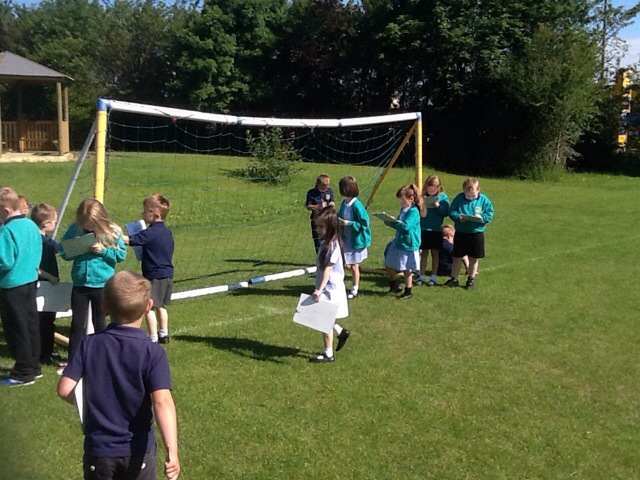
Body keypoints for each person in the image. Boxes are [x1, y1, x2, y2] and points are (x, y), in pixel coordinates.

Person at [57, 271, 180, 480]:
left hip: (99, 451)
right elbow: (162, 403)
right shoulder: (153, 352)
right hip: (138, 450)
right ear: (148, 306)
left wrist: (89, 404)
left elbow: (64, 389)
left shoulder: (89, 344)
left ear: (104, 308)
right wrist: (172, 451)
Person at [60, 198, 126, 364]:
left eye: (92, 225)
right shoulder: (75, 229)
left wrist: (103, 251)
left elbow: (121, 255)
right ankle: (73, 360)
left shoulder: (113, 231)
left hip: (101, 284)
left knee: (100, 322)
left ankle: (101, 357)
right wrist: (78, 249)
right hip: (80, 284)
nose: (88, 228)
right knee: (77, 323)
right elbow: (63, 252)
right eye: (86, 225)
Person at [0, 186, 42, 386]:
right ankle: (34, 366)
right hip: (30, 280)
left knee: (16, 328)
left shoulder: (6, 231)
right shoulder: (31, 225)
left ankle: (23, 372)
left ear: (5, 211)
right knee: (30, 324)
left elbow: (5, 261)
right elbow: (38, 249)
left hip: (12, 285)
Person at [124, 194, 175, 344]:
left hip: (154, 275)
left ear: (156, 214)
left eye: (145, 211)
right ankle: (164, 333)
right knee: (161, 306)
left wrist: (114, 235)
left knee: (149, 307)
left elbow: (131, 240)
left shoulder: (151, 232)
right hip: (167, 274)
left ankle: (152, 337)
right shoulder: (167, 231)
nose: (142, 213)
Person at [311, 207, 351, 363]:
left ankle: (328, 354)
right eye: (317, 226)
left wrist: (319, 290)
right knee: (324, 317)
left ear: (331, 227)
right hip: (325, 287)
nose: (318, 230)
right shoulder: (325, 243)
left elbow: (327, 270)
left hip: (330, 289)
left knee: (324, 320)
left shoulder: (333, 246)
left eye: (321, 227)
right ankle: (340, 332)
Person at [445, 177, 494, 290]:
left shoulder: (484, 200)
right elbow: (452, 211)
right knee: (457, 256)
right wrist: (458, 217)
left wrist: (482, 218)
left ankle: (471, 279)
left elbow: (489, 213)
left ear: (478, 190)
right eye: (467, 196)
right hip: (461, 232)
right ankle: (454, 279)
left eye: (473, 195)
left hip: (476, 233)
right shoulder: (459, 198)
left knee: (474, 258)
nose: (470, 198)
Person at [31, 203, 62, 365]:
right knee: (43, 321)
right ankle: (42, 353)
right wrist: (50, 277)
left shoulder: (48, 241)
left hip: (48, 286)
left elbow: (59, 249)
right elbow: (34, 266)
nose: (56, 223)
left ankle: (47, 350)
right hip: (41, 286)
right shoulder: (38, 242)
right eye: (55, 221)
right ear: (46, 223)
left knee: (48, 320)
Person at [383, 184, 425, 300]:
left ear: (411, 199)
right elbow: (400, 222)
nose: (400, 203)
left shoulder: (414, 212)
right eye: (400, 201)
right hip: (399, 241)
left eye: (402, 200)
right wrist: (392, 220)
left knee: (407, 269)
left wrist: (392, 223)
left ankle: (408, 291)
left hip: (409, 243)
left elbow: (405, 226)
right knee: (388, 263)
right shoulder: (403, 209)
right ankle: (394, 285)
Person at [337, 176, 371, 300]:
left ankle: (354, 288)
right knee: (343, 263)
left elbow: (364, 223)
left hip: (355, 239)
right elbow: (340, 215)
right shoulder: (344, 203)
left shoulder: (357, 205)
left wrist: (349, 223)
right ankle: (339, 286)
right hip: (345, 238)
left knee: (354, 265)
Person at [417, 175, 449, 286]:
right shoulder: (422, 196)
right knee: (424, 252)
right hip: (423, 228)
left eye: (434, 188)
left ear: (438, 187)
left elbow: (445, 212)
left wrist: (437, 205)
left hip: (435, 229)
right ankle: (421, 275)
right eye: (429, 188)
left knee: (435, 252)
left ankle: (433, 277)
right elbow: (417, 210)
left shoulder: (443, 197)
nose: (431, 191)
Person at [305, 174, 335, 253]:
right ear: (318, 184)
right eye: (324, 186)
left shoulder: (330, 190)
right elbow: (308, 206)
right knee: (318, 238)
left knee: (329, 236)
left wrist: (331, 203)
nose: (327, 187)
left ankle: (330, 253)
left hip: (328, 216)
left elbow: (332, 201)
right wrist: (318, 206)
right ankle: (319, 254)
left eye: (328, 185)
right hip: (317, 217)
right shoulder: (311, 192)